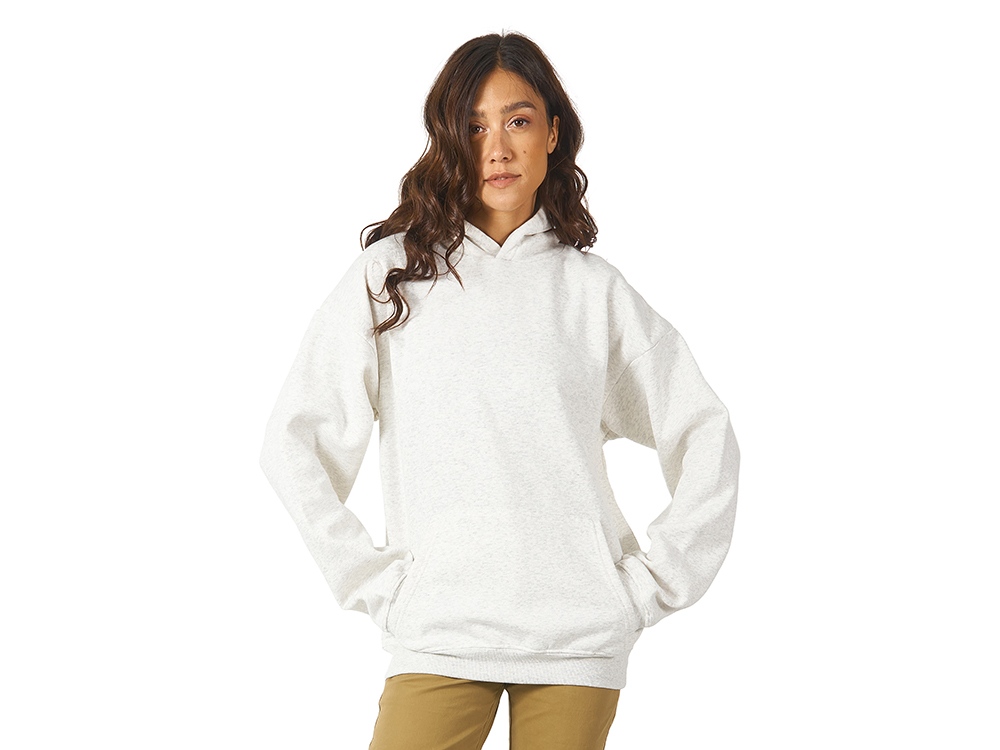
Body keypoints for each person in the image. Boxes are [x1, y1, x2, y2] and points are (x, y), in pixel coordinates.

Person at [259, 30, 740, 750]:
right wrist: (372, 582)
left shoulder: (593, 292)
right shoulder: (392, 277)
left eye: (518, 120)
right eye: (474, 126)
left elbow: (704, 431)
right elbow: (295, 441)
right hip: (439, 632)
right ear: (448, 139)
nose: (498, 148)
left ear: (553, 133)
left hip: (577, 639)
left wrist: (650, 587)